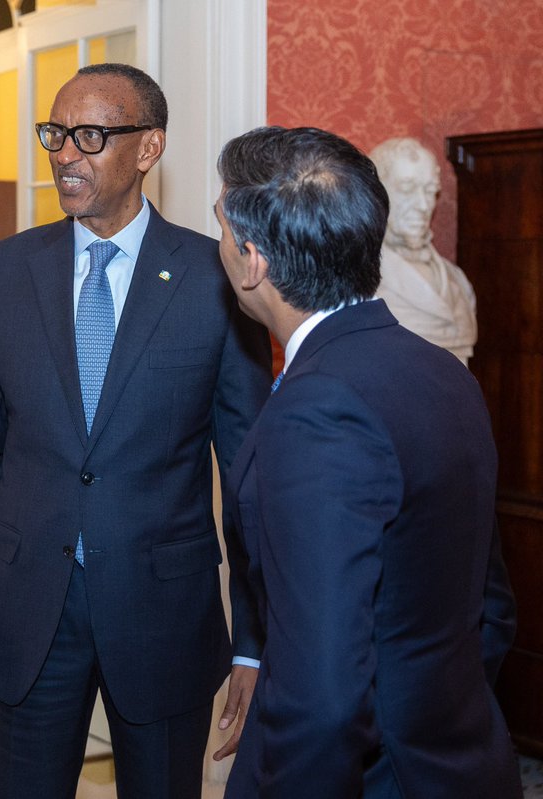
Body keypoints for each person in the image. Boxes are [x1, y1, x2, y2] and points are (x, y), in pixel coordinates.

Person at [0, 62, 272, 798]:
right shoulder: (1, 273)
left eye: (89, 136)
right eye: (56, 134)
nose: (63, 154)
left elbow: (250, 475)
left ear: (148, 149)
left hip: (164, 615)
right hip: (30, 613)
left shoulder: (218, 280)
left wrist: (254, 640)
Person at [212, 126, 519, 798]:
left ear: (253, 258)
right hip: (462, 759)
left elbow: (321, 693)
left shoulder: (315, 409)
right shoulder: (445, 374)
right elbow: (491, 612)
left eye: (221, 228)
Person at [370, 137, 477, 364]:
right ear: (376, 193)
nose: (423, 205)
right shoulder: (359, 281)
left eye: (430, 191)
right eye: (407, 189)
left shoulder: (457, 280)